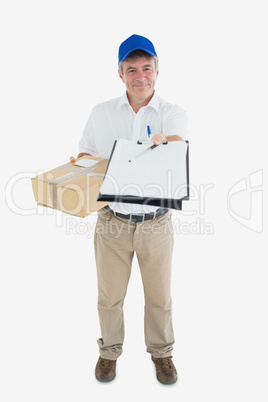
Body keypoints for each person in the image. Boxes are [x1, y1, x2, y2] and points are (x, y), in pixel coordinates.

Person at [70, 34, 187, 385]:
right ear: (120, 73)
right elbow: (88, 154)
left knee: (159, 297)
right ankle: (109, 353)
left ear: (156, 70)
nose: (140, 76)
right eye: (131, 69)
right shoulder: (101, 112)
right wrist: (79, 164)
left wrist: (164, 141)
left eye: (146, 68)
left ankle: (162, 354)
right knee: (109, 296)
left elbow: (179, 140)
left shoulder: (171, 113)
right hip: (113, 222)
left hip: (156, 223)